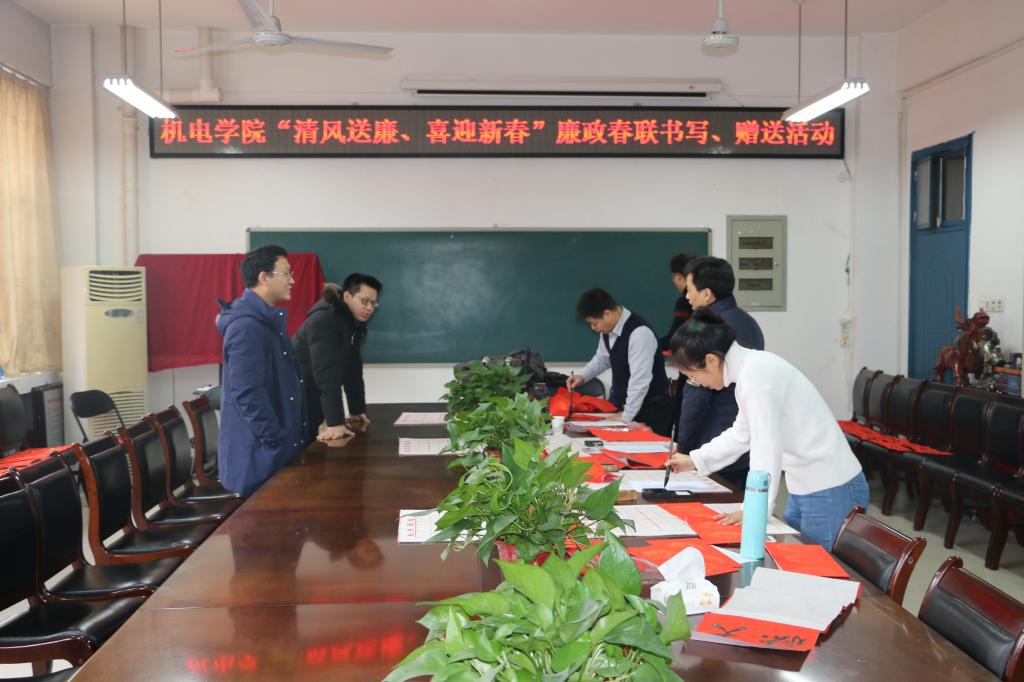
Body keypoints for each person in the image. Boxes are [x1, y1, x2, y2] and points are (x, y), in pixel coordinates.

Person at [666, 309, 867, 550]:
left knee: (817, 568)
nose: (697, 383)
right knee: (793, 559)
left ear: (711, 360)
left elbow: (765, 447)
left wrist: (754, 511)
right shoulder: (750, 371)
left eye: (693, 375)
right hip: (806, 485)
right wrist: (695, 460)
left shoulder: (756, 377)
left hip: (830, 486)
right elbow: (741, 434)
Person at [216, 245, 307, 497]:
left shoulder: (267, 321)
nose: (292, 280)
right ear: (264, 277)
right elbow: (248, 393)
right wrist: (276, 441)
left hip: (271, 452)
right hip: (259, 458)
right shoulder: (247, 327)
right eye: (286, 274)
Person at [675, 256, 765, 489]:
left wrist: (685, 447)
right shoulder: (749, 322)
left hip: (717, 442)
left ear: (706, 294)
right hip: (740, 443)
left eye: (690, 290)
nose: (686, 297)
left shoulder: (707, 330)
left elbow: (696, 398)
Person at [566, 288, 672, 436]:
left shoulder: (639, 333)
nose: (593, 328)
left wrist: (625, 417)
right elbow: (602, 358)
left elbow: (640, 380)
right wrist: (582, 376)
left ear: (607, 314)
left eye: (594, 323)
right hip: (625, 408)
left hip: (650, 411)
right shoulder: (608, 330)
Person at [293, 273, 382, 443]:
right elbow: (327, 374)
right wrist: (335, 423)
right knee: (301, 450)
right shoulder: (324, 321)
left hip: (312, 396)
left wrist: (356, 409)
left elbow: (353, 369)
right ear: (347, 297)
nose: (370, 308)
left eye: (373, 303)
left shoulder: (352, 323)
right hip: (296, 397)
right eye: (365, 301)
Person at [659, 252, 695, 352]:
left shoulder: (685, 302)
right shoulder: (709, 298)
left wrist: (649, 345)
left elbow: (675, 339)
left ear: (678, 277)